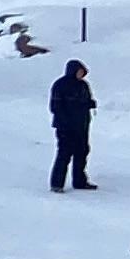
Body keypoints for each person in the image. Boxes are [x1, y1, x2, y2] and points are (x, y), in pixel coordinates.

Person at [49, 58, 96, 192]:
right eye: (79, 71)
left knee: (82, 153)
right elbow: (55, 106)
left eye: (83, 72)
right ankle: (57, 184)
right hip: (65, 128)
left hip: (82, 126)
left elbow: (85, 101)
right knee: (64, 154)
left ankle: (80, 181)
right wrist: (65, 121)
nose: (81, 74)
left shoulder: (84, 85)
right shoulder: (60, 85)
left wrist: (90, 104)